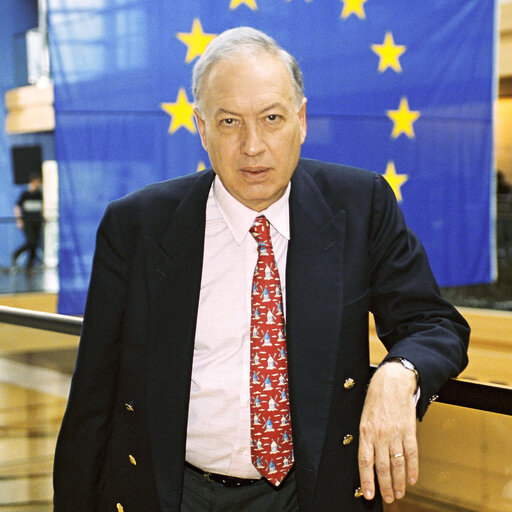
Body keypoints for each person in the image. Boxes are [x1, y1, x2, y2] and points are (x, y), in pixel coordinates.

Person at [53, 27, 470, 512]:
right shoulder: (137, 225)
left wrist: (400, 373)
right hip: (172, 493)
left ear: (302, 120)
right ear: (202, 128)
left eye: (272, 118)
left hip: (311, 495)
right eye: (229, 122)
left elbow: (435, 323)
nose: (253, 145)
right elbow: (93, 395)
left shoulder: (361, 205)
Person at [12, 173, 43, 271]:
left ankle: (29, 266)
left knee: (35, 245)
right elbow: (17, 207)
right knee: (31, 242)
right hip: (27, 222)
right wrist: (19, 220)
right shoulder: (25, 194)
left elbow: (41, 208)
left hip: (37, 223)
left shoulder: (39, 194)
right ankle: (16, 253)